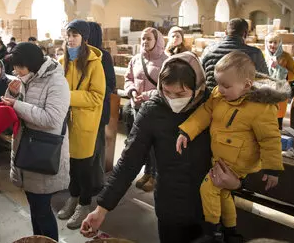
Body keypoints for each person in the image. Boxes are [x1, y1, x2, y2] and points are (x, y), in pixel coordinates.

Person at [80, 52, 243, 243]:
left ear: (199, 87)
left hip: (213, 207)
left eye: (181, 94)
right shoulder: (152, 111)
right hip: (171, 208)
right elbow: (129, 162)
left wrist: (238, 184)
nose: (173, 99)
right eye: (167, 91)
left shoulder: (217, 107)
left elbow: (244, 152)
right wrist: (102, 209)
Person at [177, 51, 286, 242]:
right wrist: (187, 130)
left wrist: (272, 169)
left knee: (208, 188)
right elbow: (205, 112)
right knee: (223, 193)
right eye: (218, 83)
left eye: (226, 85)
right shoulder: (219, 95)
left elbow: (270, 139)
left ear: (246, 85)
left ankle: (212, 231)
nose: (220, 89)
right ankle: (230, 229)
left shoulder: (260, 108)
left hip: (238, 161)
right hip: (223, 157)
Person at [1, 42, 71, 241]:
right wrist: (12, 94)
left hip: (42, 152)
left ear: (31, 64)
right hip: (27, 149)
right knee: (35, 208)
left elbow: (52, 120)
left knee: (41, 209)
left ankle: (49, 240)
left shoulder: (56, 82)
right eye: (14, 67)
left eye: (19, 67)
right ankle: (38, 239)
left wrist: (17, 104)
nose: (16, 71)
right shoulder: (27, 77)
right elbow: (18, 108)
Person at [57, 19, 106, 229]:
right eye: (68, 35)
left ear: (84, 39)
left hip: (85, 124)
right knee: (71, 167)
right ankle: (73, 197)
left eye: (75, 35)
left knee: (83, 167)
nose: (70, 40)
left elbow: (97, 97)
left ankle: (84, 204)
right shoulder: (62, 61)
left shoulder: (95, 64)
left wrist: (68, 97)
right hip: (66, 123)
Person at [123, 27, 168, 192]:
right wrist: (132, 91)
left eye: (148, 38)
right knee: (144, 144)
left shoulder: (166, 61)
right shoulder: (135, 59)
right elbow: (128, 79)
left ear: (157, 40)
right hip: (138, 107)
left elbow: (167, 88)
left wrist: (147, 95)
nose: (145, 41)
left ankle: (156, 175)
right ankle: (147, 172)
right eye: (143, 38)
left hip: (155, 108)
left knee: (155, 144)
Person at [87, 21, 116, 193]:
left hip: (98, 109)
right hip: (82, 111)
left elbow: (110, 84)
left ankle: (97, 183)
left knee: (97, 146)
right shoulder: (79, 56)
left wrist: (92, 96)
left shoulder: (104, 56)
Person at [201, 18, 268, 91]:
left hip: (212, 98)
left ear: (226, 33)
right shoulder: (255, 53)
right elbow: (265, 81)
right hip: (242, 100)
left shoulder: (209, 50)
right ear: (245, 34)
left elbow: (200, 77)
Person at [264, 33, 294, 129]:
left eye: (275, 42)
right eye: (270, 42)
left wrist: (279, 68)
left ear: (280, 43)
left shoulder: (287, 57)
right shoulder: (262, 55)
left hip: (280, 93)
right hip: (264, 92)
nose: (273, 45)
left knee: (277, 124)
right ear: (266, 43)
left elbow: (293, 76)